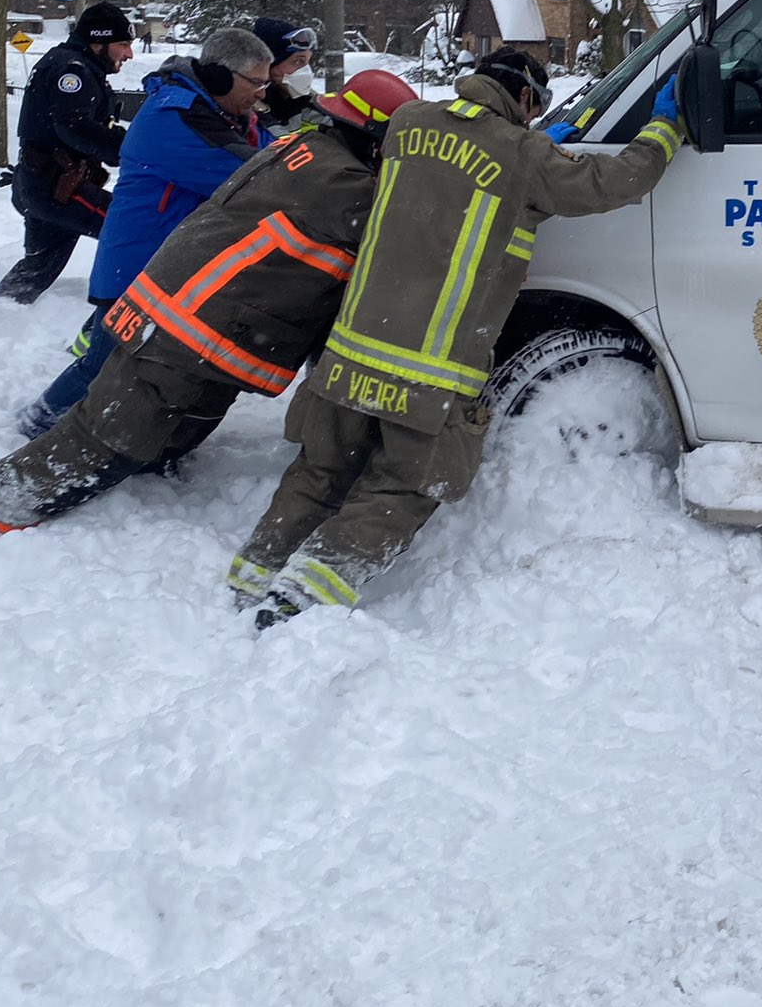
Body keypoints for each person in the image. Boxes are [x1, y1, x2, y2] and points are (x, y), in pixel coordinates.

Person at [229, 49, 685, 629]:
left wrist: (536, 147)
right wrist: (662, 130)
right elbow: (612, 181)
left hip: (349, 354)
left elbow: (458, 170)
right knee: (404, 485)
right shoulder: (525, 155)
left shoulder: (409, 124)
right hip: (430, 370)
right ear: (523, 98)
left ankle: (253, 572)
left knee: (321, 469)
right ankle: (305, 595)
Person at [0, 69, 421, 533]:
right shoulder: (349, 188)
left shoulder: (299, 149)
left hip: (194, 318)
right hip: (190, 328)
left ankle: (141, 474)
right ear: (376, 140)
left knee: (177, 424)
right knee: (107, 437)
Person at [15, 27, 276, 437]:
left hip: (175, 267)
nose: (262, 93)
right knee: (105, 365)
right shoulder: (174, 119)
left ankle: (125, 430)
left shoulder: (226, 115)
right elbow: (258, 174)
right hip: (139, 268)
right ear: (222, 77)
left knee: (144, 364)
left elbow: (271, 149)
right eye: (256, 83)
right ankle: (39, 423)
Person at [0, 2, 134, 304]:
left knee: (37, 268)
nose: (129, 54)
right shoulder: (72, 70)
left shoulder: (76, 65)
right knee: (134, 229)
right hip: (58, 188)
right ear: (99, 41)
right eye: (123, 44)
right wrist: (136, 150)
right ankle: (124, 313)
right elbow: (75, 127)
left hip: (42, 184)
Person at [250, 17, 322, 132]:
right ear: (268, 66)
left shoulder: (307, 102)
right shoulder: (246, 110)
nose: (306, 70)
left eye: (308, 62)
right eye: (298, 61)